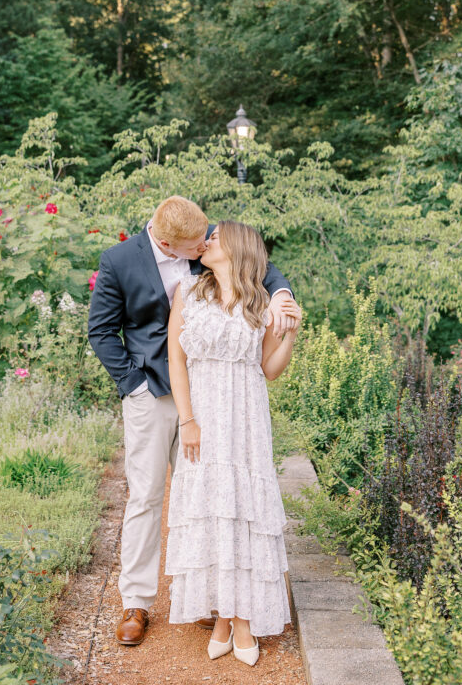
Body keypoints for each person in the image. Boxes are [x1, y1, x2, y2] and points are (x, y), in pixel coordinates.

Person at [87, 196, 296, 646]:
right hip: (153, 392)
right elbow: (101, 330)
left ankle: (212, 596)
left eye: (208, 238)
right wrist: (134, 384)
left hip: (217, 396)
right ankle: (137, 602)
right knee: (146, 494)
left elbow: (261, 266)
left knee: (211, 493)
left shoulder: (205, 245)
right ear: (168, 243)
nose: (204, 246)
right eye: (197, 244)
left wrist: (281, 296)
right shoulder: (121, 260)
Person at [165, 221, 302, 666]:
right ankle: (222, 616)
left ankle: (241, 620)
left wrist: (291, 338)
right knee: (209, 510)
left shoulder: (260, 301)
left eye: (215, 236)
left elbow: (270, 368)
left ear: (237, 247)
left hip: (245, 420)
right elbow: (177, 362)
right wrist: (187, 420)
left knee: (242, 511)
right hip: (203, 415)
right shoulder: (187, 292)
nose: (205, 241)